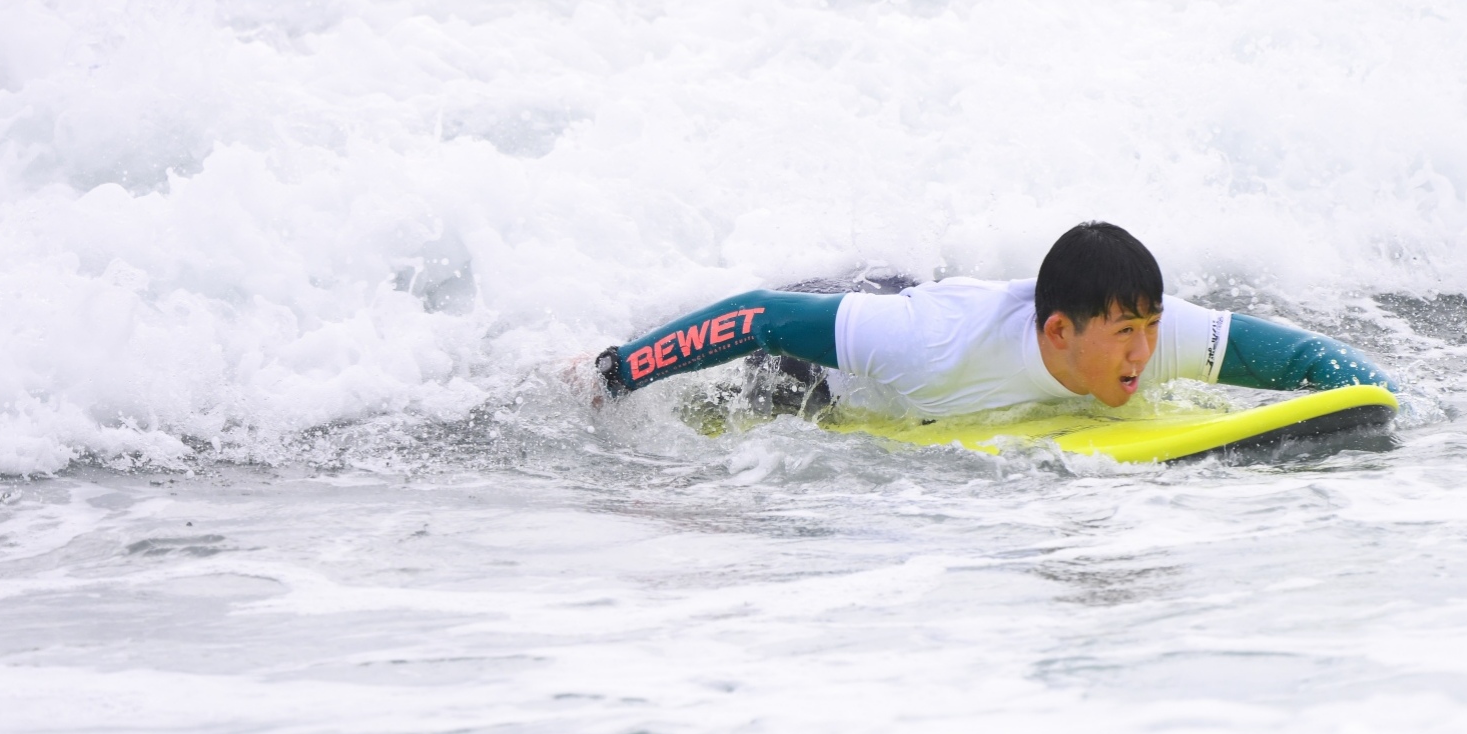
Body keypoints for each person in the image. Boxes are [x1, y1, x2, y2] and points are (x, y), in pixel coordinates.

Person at [593, 221, 1392, 417]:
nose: (1145, 352)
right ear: (1060, 333)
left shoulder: (1143, 333)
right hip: (822, 365)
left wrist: (1401, 410)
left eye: (1150, 328)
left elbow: (1307, 361)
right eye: (1126, 334)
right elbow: (757, 318)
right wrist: (618, 373)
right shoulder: (928, 348)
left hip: (933, 296)